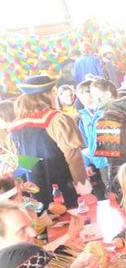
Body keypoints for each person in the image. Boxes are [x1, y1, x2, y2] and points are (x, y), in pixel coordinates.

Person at [10, 75, 89, 210]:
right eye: (52, 92)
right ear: (45, 96)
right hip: (65, 186)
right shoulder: (57, 119)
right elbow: (73, 157)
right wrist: (84, 191)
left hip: (34, 188)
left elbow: (20, 161)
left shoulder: (15, 126)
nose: (54, 96)